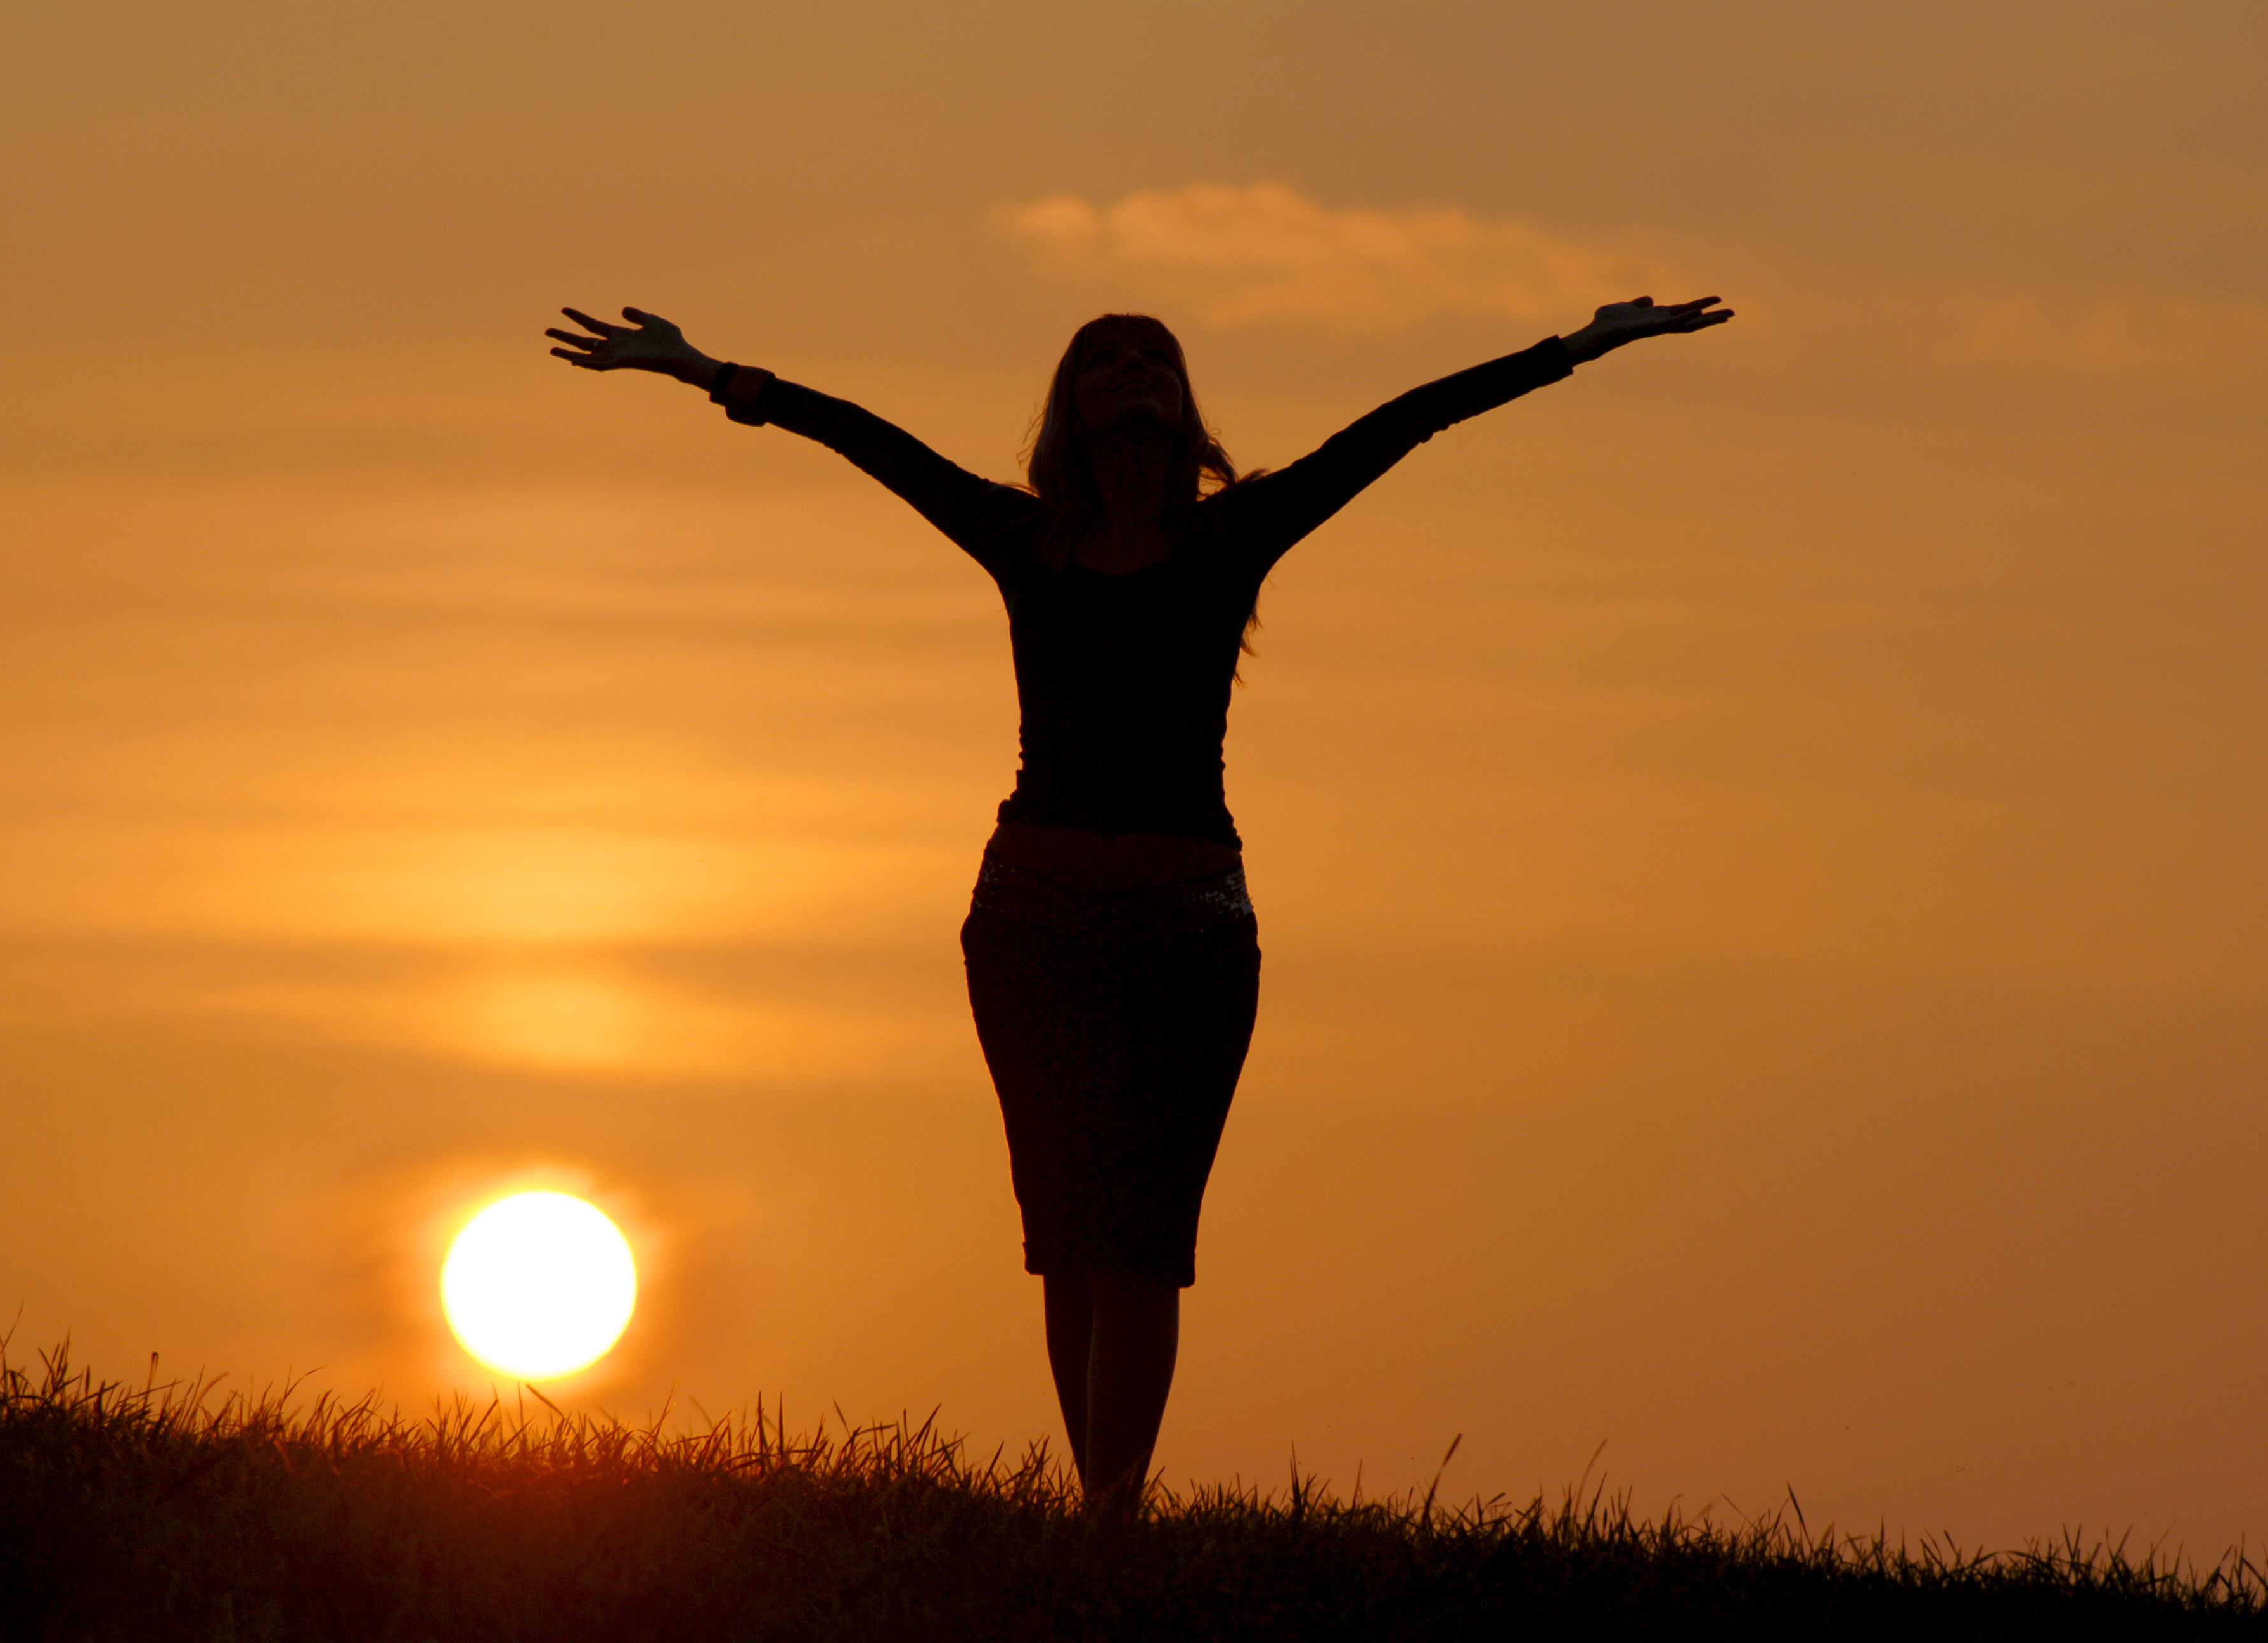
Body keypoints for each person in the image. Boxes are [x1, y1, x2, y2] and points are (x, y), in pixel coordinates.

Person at [545, 292, 1731, 1514]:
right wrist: (702, 372)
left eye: (1152, 358)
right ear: (1072, 410)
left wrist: (1576, 350)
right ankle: (1101, 1516)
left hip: (1189, 936)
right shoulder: (1026, 542)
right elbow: (869, 443)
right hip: (1033, 927)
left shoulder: (1233, 540)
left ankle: (1109, 1523)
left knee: (1143, 1242)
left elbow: (1405, 425)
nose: (1129, 373)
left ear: (1181, 408)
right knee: (1067, 1240)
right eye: (1103, 360)